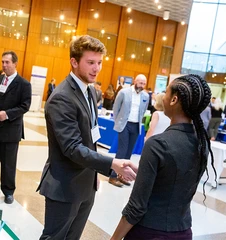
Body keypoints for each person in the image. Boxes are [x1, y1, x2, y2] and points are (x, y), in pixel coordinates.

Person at [36, 35, 137, 240]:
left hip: (85, 183)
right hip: (64, 185)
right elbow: (72, 147)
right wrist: (112, 164)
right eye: (90, 62)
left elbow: (90, 137)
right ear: (74, 62)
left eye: (99, 63)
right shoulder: (62, 97)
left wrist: (94, 175)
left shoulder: (89, 91)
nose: (96, 68)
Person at [111, 74, 216, 240]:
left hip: (150, 231)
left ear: (174, 99)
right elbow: (176, 181)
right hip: (183, 231)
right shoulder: (201, 144)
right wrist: (147, 173)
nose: (162, 97)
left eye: (165, 93)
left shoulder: (158, 144)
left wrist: (114, 238)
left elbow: (136, 207)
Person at [0, 51, 31, 204]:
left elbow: (25, 105)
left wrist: (8, 114)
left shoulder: (24, 84)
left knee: (8, 163)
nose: (4, 65)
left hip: (10, 129)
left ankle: (8, 191)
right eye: (2, 62)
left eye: (7, 62)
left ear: (15, 63)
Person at [109, 74, 149, 187]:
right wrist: (118, 122)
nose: (142, 85)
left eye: (144, 83)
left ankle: (122, 176)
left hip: (136, 126)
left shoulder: (145, 96)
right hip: (124, 125)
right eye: (140, 82)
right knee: (122, 151)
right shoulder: (124, 92)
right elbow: (116, 108)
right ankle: (113, 176)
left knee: (128, 153)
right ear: (135, 81)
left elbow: (144, 110)